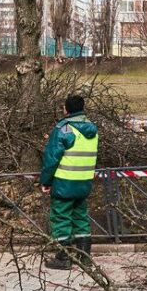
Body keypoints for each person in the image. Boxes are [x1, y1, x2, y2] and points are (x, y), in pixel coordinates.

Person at [38, 94, 99, 270]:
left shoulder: (63, 129)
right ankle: (85, 259)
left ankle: (63, 259)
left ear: (67, 109)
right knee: (81, 218)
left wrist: (46, 181)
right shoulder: (92, 129)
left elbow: (51, 159)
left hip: (64, 183)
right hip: (84, 182)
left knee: (61, 219)